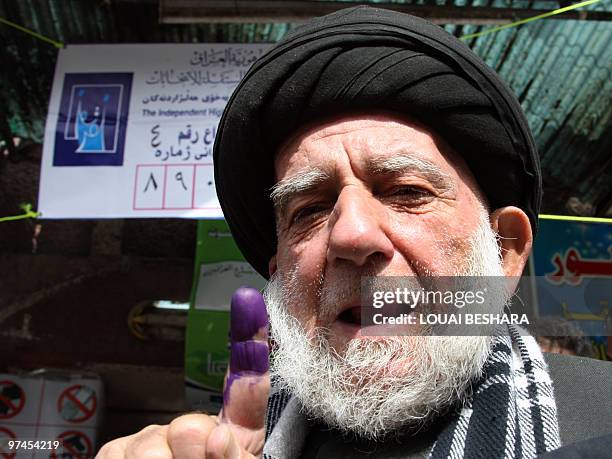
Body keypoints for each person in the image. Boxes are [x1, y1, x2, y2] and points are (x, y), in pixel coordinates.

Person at [97, 6, 611, 458]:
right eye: (310, 210)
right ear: (279, 280)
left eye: (406, 192)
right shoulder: (231, 449)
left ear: (504, 252)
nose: (352, 234)